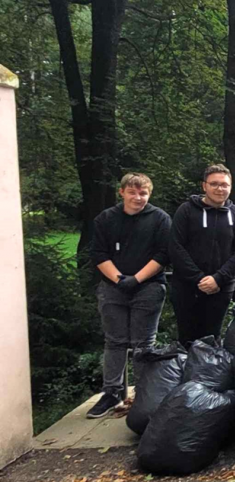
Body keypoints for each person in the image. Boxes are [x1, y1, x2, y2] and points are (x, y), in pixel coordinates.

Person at [88, 173, 171, 418]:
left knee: (144, 344)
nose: (138, 198)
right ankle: (112, 392)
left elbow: (163, 254)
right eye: (133, 192)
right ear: (122, 192)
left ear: (149, 194)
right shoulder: (106, 219)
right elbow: (98, 253)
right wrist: (118, 279)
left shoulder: (160, 219)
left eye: (143, 193)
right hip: (112, 288)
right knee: (114, 341)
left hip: (149, 286)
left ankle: (145, 394)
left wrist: (137, 279)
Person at [169, 164, 235, 346]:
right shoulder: (186, 211)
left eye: (224, 185)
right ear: (204, 186)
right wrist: (199, 278)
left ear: (230, 187)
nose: (219, 189)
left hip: (221, 288)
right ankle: (187, 374)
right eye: (214, 184)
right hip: (186, 288)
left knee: (212, 339)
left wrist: (218, 279)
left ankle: (209, 374)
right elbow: (175, 247)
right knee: (186, 340)